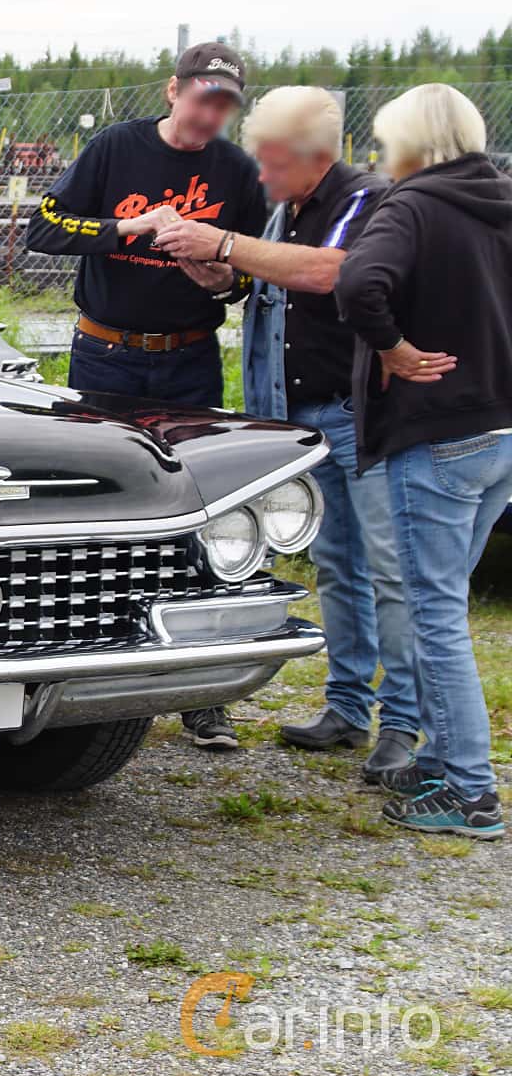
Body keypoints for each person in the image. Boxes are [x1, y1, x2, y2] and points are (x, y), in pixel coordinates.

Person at [154, 87, 419, 784]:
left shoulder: (365, 203)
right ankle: (346, 706)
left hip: (355, 417)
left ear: (312, 156)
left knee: (391, 572)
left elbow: (332, 274)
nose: (260, 178)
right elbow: (260, 279)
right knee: (339, 566)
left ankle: (402, 724)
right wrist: (217, 273)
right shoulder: (286, 209)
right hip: (301, 422)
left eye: (271, 164)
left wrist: (227, 243)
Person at [27, 41, 269, 751]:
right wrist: (127, 228)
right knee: (98, 502)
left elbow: (249, 273)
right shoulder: (115, 148)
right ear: (173, 91)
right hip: (105, 353)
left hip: (188, 358)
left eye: (224, 105)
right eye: (201, 98)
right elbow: (46, 227)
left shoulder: (238, 171)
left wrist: (215, 274)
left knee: (199, 508)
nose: (209, 114)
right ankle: (81, 665)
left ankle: (201, 689)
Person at [334, 83, 511, 839]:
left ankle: (471, 792)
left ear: (408, 141)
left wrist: (396, 350)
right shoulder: (501, 202)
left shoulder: (408, 205)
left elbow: (356, 284)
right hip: (501, 435)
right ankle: (441, 765)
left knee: (436, 616)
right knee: (449, 603)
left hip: (437, 436)